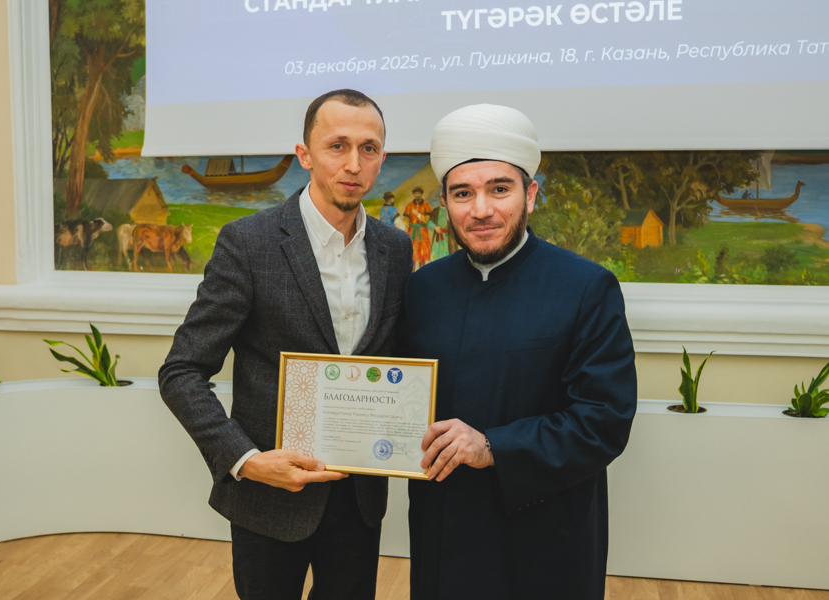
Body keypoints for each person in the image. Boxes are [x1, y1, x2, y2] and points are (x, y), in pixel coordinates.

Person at [159, 89, 413, 600]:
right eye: (337, 146)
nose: (354, 163)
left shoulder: (395, 247)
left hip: (360, 495)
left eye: (368, 148)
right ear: (305, 155)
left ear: (381, 158)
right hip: (268, 497)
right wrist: (246, 459)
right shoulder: (248, 242)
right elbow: (181, 371)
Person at [402, 104, 637, 599]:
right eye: (462, 193)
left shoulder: (585, 287)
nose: (480, 210)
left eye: (499, 189)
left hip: (544, 534)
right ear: (444, 203)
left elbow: (604, 421)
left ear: (530, 194)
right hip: (444, 528)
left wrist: (491, 447)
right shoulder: (422, 289)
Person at [403, 186, 432, 270]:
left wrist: (418, 215)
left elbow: (427, 220)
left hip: (423, 233)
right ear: (413, 194)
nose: (417, 195)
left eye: (419, 193)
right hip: (412, 232)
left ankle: (422, 274)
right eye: (415, 193)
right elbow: (405, 219)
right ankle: (412, 274)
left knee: (422, 256)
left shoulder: (426, 205)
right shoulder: (409, 205)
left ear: (422, 194)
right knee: (412, 256)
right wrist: (406, 225)